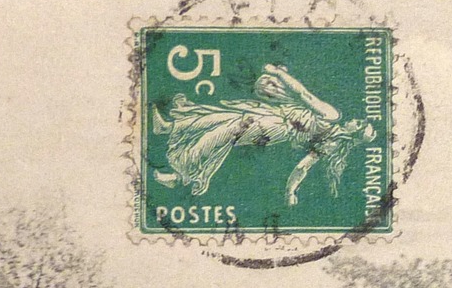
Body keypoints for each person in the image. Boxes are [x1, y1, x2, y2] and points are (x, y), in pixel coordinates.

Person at [151, 63, 375, 205]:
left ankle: (180, 175)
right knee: (222, 117)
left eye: (360, 124)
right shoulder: (332, 143)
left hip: (276, 126)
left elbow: (304, 95)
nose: (356, 120)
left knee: (226, 131)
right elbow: (302, 167)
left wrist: (278, 73)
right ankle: (170, 128)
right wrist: (290, 192)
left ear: (355, 132)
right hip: (275, 115)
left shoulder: (333, 116)